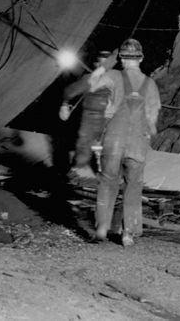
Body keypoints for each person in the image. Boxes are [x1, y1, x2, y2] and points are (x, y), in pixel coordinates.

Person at [88, 38, 161, 246]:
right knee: (134, 187)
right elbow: (152, 122)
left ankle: (102, 228)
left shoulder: (113, 75)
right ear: (141, 58)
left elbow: (92, 83)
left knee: (108, 181)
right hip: (138, 142)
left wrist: (105, 65)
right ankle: (128, 233)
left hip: (114, 138)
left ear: (121, 58)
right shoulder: (151, 84)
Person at [60, 49, 116, 179]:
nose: (104, 68)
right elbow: (69, 91)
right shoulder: (90, 79)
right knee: (84, 146)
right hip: (90, 118)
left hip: (108, 119)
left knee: (108, 148)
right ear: (96, 65)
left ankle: (107, 176)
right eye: (101, 64)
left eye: (106, 65)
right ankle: (77, 172)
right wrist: (64, 105)